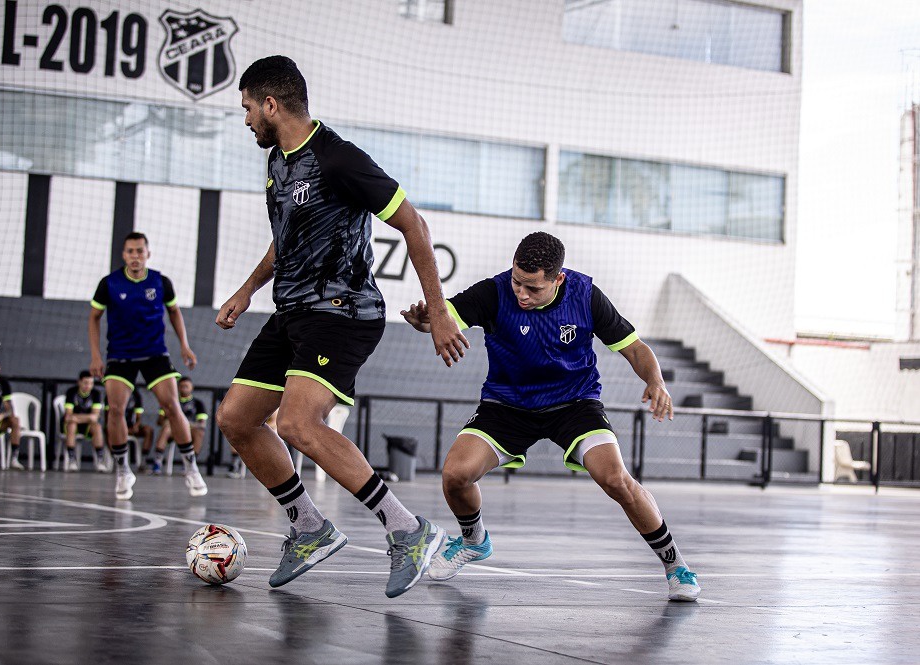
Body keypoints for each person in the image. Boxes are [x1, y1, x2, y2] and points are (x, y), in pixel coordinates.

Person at [214, 55, 468, 598]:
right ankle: (309, 526)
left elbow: (414, 224)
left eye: (247, 109)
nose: (246, 121)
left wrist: (440, 309)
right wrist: (246, 290)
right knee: (235, 418)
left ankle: (409, 530)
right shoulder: (278, 163)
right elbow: (286, 239)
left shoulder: (338, 159)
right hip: (292, 313)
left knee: (298, 424)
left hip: (343, 313)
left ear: (271, 104)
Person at [401, 232, 701, 602]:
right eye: (517, 282)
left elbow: (634, 348)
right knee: (455, 475)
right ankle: (474, 540)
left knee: (615, 479)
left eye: (532, 287)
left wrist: (656, 381)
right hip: (507, 405)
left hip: (574, 404)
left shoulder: (586, 297)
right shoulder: (494, 293)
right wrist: (424, 321)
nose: (521, 294)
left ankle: (676, 565)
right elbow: (443, 318)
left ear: (557, 279)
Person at [89, 232, 207, 500]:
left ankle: (190, 467)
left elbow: (174, 312)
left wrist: (184, 345)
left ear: (147, 254)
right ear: (124, 255)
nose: (135, 256)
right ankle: (122, 470)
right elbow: (94, 317)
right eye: (130, 251)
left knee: (172, 406)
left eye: (140, 251)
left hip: (155, 353)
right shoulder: (109, 284)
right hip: (120, 354)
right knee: (116, 409)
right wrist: (95, 356)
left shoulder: (161, 282)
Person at [151, 376, 207, 474]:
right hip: (173, 430)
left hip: (190, 430)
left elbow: (202, 424)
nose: (184, 388)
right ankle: (157, 461)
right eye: (182, 386)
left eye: (186, 386)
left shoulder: (198, 403)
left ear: (192, 387)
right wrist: (166, 420)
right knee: (166, 427)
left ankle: (189, 463)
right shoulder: (170, 402)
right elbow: (159, 422)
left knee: (200, 432)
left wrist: (186, 424)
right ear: (177, 387)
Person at [62, 371, 106, 472]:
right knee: (72, 425)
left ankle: (100, 460)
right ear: (79, 382)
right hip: (73, 425)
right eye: (86, 383)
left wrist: (78, 417)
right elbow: (68, 416)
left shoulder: (96, 393)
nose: (88, 386)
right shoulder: (71, 392)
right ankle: (71, 460)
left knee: (97, 427)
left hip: (87, 426)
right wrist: (88, 417)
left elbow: (95, 417)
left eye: (91, 383)